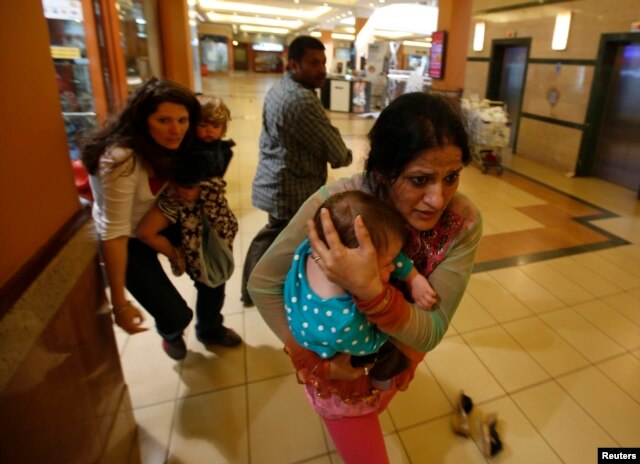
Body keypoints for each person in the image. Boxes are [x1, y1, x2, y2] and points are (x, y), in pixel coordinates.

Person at [248, 91, 483, 463]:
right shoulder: (341, 207)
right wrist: (313, 361)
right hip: (338, 376)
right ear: (381, 173)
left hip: (391, 360)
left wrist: (375, 297)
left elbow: (433, 328)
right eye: (420, 180)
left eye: (451, 177)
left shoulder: (461, 221)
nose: (438, 199)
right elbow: (262, 283)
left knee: (375, 406)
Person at [81, 78, 235, 362]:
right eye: (163, 120)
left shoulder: (180, 145)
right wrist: (119, 303)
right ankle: (172, 334)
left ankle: (211, 329)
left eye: (182, 120)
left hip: (163, 220)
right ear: (143, 120)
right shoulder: (120, 159)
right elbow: (112, 232)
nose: (175, 129)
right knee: (176, 314)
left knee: (213, 276)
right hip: (126, 238)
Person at [240, 35, 353, 307]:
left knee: (274, 235)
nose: (322, 69)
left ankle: (254, 289)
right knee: (278, 239)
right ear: (294, 64)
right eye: (313, 63)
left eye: (323, 62)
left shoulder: (281, 88)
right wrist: (345, 152)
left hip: (278, 177)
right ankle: (258, 289)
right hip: (290, 187)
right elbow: (338, 154)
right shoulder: (301, 101)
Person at [284, 191, 437, 385]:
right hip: (339, 354)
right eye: (386, 265)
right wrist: (390, 313)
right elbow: (372, 343)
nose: (392, 266)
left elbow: (385, 251)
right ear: (351, 271)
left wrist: (412, 277)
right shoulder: (347, 321)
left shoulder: (313, 249)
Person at [136, 93, 241, 349]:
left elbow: (206, 183)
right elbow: (184, 181)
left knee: (212, 283)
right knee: (205, 283)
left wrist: (201, 189)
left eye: (214, 126)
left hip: (203, 223)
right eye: (202, 125)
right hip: (176, 216)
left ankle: (209, 328)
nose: (207, 131)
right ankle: (193, 330)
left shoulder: (217, 150)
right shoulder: (186, 149)